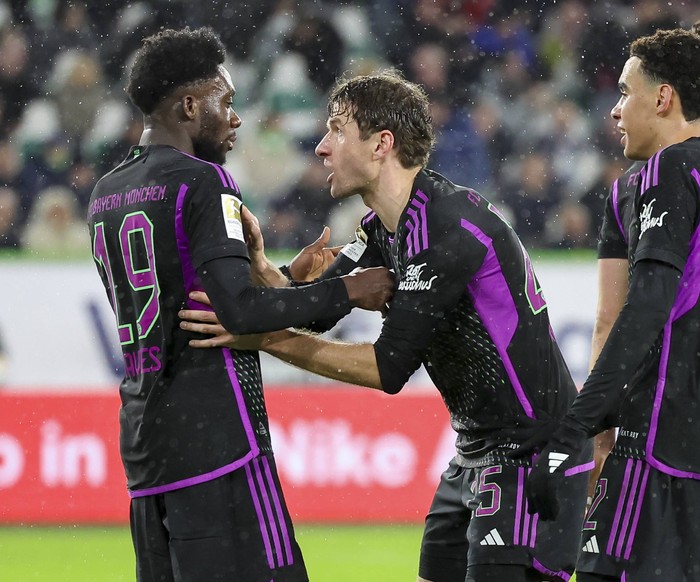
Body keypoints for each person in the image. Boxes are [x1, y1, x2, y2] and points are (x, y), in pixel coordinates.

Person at [180, 69, 593, 582]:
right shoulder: (384, 227)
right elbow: (318, 308)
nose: (321, 148)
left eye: (336, 130)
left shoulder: (445, 227)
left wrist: (263, 338)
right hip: (472, 456)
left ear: (381, 144)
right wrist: (268, 275)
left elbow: (388, 367)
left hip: (534, 456)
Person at [86, 27, 392, 582]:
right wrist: (351, 289)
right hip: (221, 445)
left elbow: (199, 294)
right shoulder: (205, 182)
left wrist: (287, 280)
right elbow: (239, 316)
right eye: (224, 102)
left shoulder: (107, 192)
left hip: (146, 447)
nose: (236, 118)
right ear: (189, 104)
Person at [525, 28, 700, 581]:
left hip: (669, 441)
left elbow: (646, 307)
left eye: (624, 91)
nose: (616, 110)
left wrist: (578, 426)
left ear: (662, 98)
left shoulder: (666, 170)